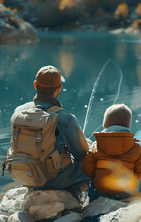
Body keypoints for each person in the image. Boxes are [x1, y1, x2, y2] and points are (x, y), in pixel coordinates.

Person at [14, 65, 89, 200]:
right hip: (52, 180)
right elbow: (81, 153)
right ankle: (93, 204)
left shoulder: (19, 112)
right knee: (92, 162)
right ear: (59, 88)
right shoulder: (66, 118)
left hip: (24, 175)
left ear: (35, 85)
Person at [82, 104, 141, 202]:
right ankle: (137, 198)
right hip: (127, 191)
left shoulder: (96, 145)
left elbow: (87, 169)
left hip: (102, 191)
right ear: (128, 125)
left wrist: (98, 177)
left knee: (93, 177)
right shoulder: (135, 147)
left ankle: (93, 200)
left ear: (105, 124)